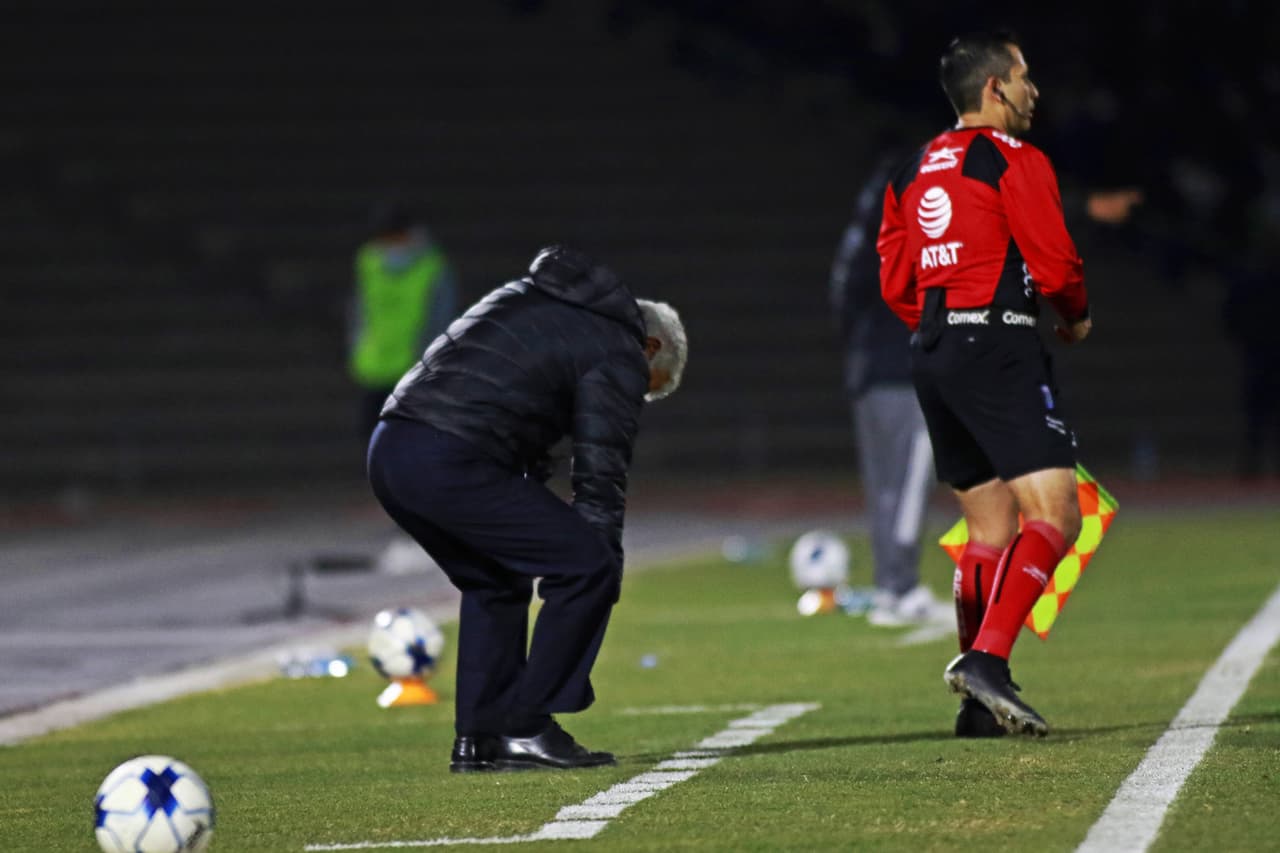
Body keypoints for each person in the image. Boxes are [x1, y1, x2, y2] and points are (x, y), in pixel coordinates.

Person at [366, 245, 687, 771]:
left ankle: (480, 739)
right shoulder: (619, 345)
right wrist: (602, 563)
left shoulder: (542, 299)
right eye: (645, 387)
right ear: (650, 345)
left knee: (497, 580)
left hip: (393, 447)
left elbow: (515, 415)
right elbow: (600, 472)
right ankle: (527, 724)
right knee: (587, 564)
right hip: (449, 453)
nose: (635, 396)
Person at [877, 31, 1091, 738]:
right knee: (1058, 515)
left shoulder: (910, 169)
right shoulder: (1012, 158)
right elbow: (1054, 261)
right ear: (994, 89)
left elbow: (896, 279)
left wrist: (944, 324)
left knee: (989, 527)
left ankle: (976, 705)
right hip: (996, 342)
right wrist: (1075, 316)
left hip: (934, 347)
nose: (1034, 90)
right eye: (1025, 77)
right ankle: (988, 661)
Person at [829, 149, 951, 628]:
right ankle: (898, 589)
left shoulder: (865, 230)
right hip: (903, 371)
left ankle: (890, 586)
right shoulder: (913, 230)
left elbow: (845, 296)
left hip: (871, 371)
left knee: (885, 488)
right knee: (907, 486)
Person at [348, 201, 460, 447]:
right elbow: (359, 308)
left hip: (413, 365)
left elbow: (441, 317)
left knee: (407, 436)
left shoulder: (432, 266)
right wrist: (356, 346)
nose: (389, 243)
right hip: (373, 364)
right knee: (373, 434)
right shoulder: (369, 259)